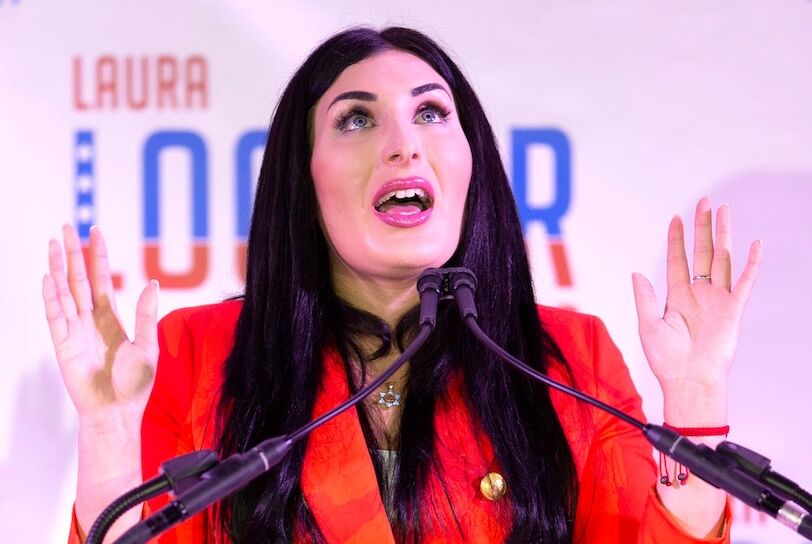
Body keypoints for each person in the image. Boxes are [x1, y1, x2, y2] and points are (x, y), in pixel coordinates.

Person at [44, 26, 761, 543]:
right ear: (305, 177)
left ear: (470, 161)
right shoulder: (199, 351)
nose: (403, 141)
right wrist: (107, 431)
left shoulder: (570, 358)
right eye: (357, 118)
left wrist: (696, 400)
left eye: (430, 112)